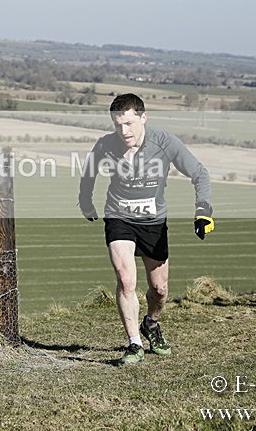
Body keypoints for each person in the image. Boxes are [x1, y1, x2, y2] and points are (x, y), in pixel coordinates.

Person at [78, 93, 213, 365]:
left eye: (128, 123)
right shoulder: (106, 144)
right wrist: (85, 201)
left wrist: (202, 211)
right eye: (117, 124)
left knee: (160, 289)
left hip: (153, 222)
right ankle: (133, 344)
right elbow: (89, 173)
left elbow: (200, 173)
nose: (123, 131)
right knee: (126, 279)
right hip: (119, 217)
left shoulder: (164, 143)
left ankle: (150, 323)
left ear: (143, 117)